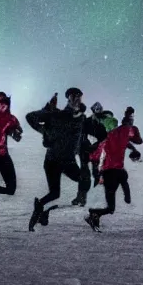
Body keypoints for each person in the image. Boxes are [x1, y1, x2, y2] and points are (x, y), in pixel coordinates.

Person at [25, 87, 89, 231]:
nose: (77, 100)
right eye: (73, 97)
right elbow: (30, 117)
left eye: (79, 97)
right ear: (68, 99)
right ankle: (40, 210)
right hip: (53, 161)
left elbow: (77, 133)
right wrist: (44, 128)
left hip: (68, 160)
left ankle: (76, 200)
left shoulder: (81, 117)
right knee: (55, 193)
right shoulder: (56, 114)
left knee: (84, 180)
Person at [85, 107, 143, 231]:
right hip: (112, 173)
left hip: (111, 173)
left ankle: (94, 214)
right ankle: (93, 214)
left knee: (112, 203)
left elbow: (93, 156)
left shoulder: (106, 140)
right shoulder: (120, 133)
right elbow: (136, 138)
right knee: (111, 207)